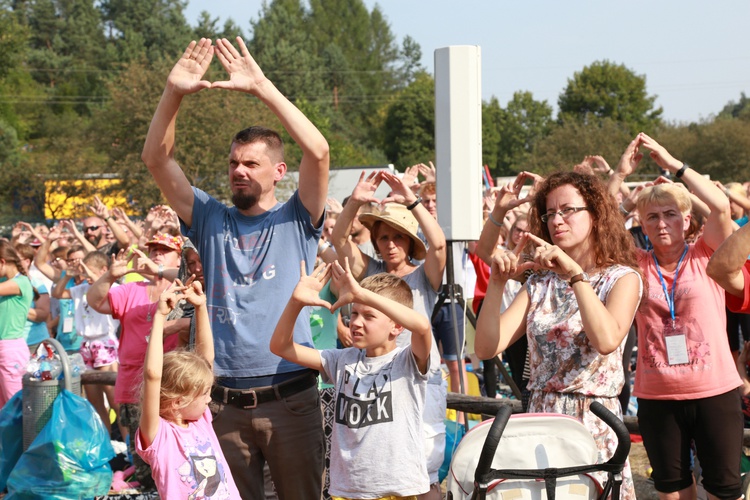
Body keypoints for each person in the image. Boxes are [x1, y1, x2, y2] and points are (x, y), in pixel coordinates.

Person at [141, 37, 329, 499]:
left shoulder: (298, 214)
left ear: (278, 170)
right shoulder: (209, 217)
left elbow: (320, 152)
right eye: (233, 163)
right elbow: (156, 159)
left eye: (251, 163)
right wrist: (174, 93)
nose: (239, 170)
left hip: (292, 396)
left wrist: (262, 86)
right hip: (219, 405)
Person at [474, 170, 643, 499]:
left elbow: (606, 340)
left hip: (593, 417)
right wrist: (496, 284)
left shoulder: (622, 278)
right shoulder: (540, 283)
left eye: (568, 210)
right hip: (540, 416)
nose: (556, 220)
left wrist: (576, 277)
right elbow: (485, 348)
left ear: (594, 214)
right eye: (549, 213)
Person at [610, 133, 742, 500]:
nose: (662, 222)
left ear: (687, 220)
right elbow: (600, 228)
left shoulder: (707, 252)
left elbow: (720, 207)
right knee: (671, 490)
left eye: (671, 214)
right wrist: (620, 176)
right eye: (652, 216)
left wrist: (673, 165)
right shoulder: (636, 264)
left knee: (723, 489)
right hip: (657, 394)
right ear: (642, 224)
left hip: (714, 390)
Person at [270, 260, 432, 499]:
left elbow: (422, 327)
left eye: (369, 316)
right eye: (354, 313)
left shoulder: (407, 360)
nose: (355, 323)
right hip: (346, 491)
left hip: (396, 490)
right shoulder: (342, 360)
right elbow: (280, 346)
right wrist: (296, 303)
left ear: (397, 326)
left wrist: (361, 293)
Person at [330, 170, 447, 499]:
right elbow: (339, 242)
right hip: (375, 384)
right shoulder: (372, 273)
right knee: (381, 479)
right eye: (383, 237)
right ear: (376, 242)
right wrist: (354, 203)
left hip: (420, 380)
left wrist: (412, 198)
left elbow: (438, 243)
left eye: (398, 237)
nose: (391, 244)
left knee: (424, 476)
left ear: (410, 240)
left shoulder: (425, 276)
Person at [87, 233, 184, 490]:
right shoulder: (131, 290)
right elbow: (95, 301)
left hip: (171, 383)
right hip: (133, 382)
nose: (156, 254)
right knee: (142, 456)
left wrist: (163, 271)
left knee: (173, 452)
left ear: (179, 258)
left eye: (164, 250)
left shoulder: (183, 286)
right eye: (153, 250)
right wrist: (109, 276)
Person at [136, 280, 240, 499]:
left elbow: (206, 360)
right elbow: (153, 376)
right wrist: (159, 317)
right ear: (178, 401)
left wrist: (201, 308)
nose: (209, 398)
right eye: (203, 393)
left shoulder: (200, 420)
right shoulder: (159, 435)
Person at [0, 241, 35, 407]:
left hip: (10, 349)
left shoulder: (20, 282)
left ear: (2, 262)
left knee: (15, 405)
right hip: (5, 348)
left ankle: (24, 435)